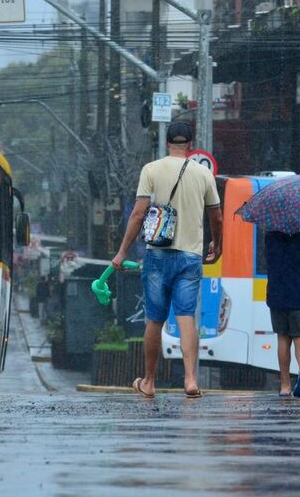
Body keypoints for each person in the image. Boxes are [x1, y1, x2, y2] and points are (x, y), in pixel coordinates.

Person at [112, 121, 223, 399]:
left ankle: (149, 381)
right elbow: (216, 216)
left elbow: (138, 214)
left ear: (167, 143)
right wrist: (216, 244)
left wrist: (122, 252)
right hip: (190, 256)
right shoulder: (203, 174)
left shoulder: (151, 170)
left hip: (157, 254)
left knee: (154, 319)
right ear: (191, 144)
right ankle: (190, 379)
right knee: (186, 317)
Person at [265, 231, 300, 398]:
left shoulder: (271, 236)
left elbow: (270, 262)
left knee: (283, 337)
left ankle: (285, 385)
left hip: (277, 293)